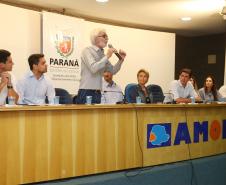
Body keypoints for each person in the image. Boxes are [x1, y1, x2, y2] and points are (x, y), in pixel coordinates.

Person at [76, 28, 126, 104]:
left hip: (98, 92)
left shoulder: (102, 55)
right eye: (104, 36)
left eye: (107, 37)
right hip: (86, 91)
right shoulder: (87, 50)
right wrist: (107, 56)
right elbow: (93, 68)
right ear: (95, 38)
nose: (107, 38)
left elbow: (113, 71)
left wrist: (121, 60)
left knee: (96, 116)